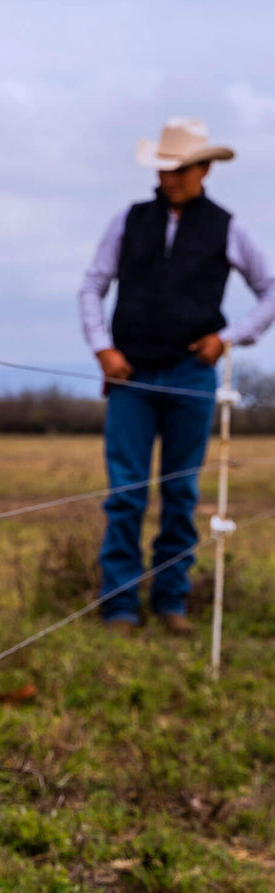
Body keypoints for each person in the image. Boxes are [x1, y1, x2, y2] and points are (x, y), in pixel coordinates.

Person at [79, 116, 275, 635]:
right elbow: (92, 286)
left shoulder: (228, 227)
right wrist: (103, 348)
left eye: (182, 169)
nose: (171, 178)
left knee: (181, 492)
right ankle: (119, 605)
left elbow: (270, 289)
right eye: (165, 169)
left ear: (205, 168)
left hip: (192, 376)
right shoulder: (129, 220)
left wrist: (227, 338)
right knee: (126, 493)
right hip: (131, 376)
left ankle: (171, 601)